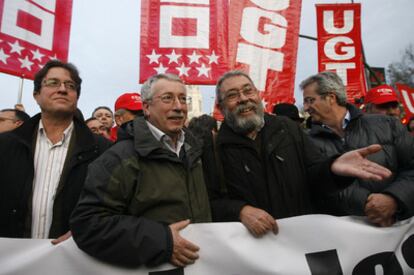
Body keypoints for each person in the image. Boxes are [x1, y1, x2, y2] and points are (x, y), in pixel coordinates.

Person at [213, 70, 391, 237]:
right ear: (221, 107)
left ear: (258, 96)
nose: (243, 99)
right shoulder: (213, 146)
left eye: (248, 91)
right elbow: (209, 202)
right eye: (232, 95)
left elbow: (315, 175)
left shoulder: (287, 128)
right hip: (253, 250)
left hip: (301, 240)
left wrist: (332, 168)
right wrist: (240, 211)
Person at [70, 73, 211, 267]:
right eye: (167, 98)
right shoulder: (120, 157)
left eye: (183, 99)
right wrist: (161, 241)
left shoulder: (196, 152)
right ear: (146, 107)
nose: (178, 106)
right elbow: (88, 224)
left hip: (201, 266)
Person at [0, 60, 111, 243]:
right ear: (36, 94)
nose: (62, 89)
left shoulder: (103, 150)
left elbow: (114, 206)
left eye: (70, 86)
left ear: (76, 96)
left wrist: (90, 228)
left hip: (73, 260)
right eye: (53, 83)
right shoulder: (6, 145)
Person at [300, 71, 414, 226]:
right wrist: (369, 204)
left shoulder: (388, 125)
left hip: (400, 230)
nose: (306, 107)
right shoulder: (304, 141)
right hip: (346, 237)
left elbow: (411, 168)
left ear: (331, 98)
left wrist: (393, 199)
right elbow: (312, 185)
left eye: (310, 100)